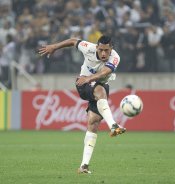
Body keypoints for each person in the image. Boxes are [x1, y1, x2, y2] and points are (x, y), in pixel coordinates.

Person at [38, 35, 126, 174]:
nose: (104, 53)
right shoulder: (88, 48)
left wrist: (89, 78)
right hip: (83, 84)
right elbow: (73, 41)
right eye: (101, 50)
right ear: (96, 47)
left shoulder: (115, 57)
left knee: (93, 122)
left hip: (97, 83)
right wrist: (54, 46)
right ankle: (113, 125)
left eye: (106, 51)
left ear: (111, 49)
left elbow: (105, 72)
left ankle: (84, 166)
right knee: (100, 91)